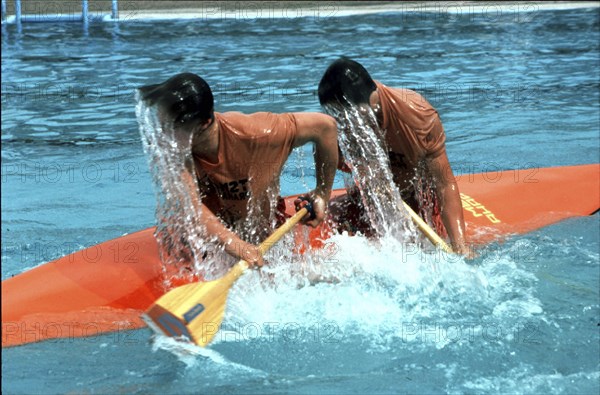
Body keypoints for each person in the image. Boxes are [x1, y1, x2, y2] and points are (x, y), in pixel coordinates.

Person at [138, 72, 338, 270]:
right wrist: (236, 245)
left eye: (170, 128)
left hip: (266, 241)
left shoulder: (257, 133)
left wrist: (322, 192)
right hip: (209, 248)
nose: (161, 136)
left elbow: (325, 127)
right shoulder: (174, 152)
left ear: (204, 124)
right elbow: (190, 207)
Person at [317, 58, 470, 255]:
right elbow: (322, 136)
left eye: (347, 117)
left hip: (417, 198)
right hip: (372, 197)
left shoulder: (418, 115)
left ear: (371, 101)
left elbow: (443, 184)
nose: (344, 124)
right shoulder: (347, 114)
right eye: (338, 117)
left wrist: (460, 247)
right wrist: (322, 187)